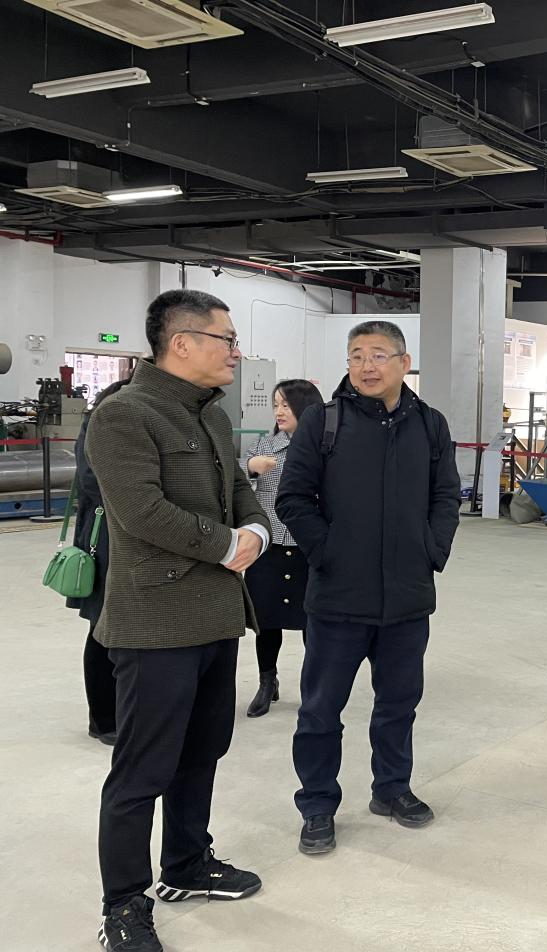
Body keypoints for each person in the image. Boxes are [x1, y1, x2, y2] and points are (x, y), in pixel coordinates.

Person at [86, 290, 269, 952]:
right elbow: (141, 512)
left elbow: (240, 491)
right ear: (183, 342)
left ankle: (187, 865)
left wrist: (255, 532)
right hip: (155, 624)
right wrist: (225, 546)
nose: (236, 352)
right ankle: (123, 904)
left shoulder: (211, 414)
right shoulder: (123, 415)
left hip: (217, 616)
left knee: (202, 751)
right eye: (227, 339)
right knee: (142, 771)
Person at [276, 319, 461, 856]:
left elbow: (446, 495)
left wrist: (432, 549)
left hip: (406, 598)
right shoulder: (323, 420)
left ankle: (392, 788)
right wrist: (328, 552)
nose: (366, 366)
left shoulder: (430, 424)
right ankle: (317, 805)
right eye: (356, 355)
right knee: (320, 710)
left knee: (399, 703)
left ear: (404, 363)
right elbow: (293, 498)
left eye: (378, 355)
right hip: (338, 597)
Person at [240, 378, 324, 718]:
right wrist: (251, 467)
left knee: (312, 622)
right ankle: (267, 681)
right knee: (266, 620)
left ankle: (314, 689)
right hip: (269, 547)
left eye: (286, 405)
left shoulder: (324, 446)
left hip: (309, 547)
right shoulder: (264, 444)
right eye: (275, 405)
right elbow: (231, 478)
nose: (279, 411)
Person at [67, 377, 130, 746]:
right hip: (104, 540)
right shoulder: (99, 424)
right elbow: (91, 483)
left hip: (124, 538)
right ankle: (103, 720)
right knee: (101, 629)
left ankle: (123, 713)